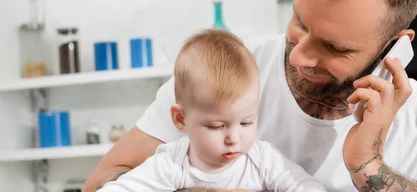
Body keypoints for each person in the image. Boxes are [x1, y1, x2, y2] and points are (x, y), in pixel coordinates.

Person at [85, 0, 417, 191]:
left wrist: (368, 164)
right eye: (299, 23)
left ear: (393, 46)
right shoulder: (223, 74)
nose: (300, 55)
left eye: (335, 47)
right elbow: (101, 182)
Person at [96, 29, 327, 192]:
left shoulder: (261, 158)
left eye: (246, 123)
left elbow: (307, 185)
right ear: (180, 119)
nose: (234, 139)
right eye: (216, 126)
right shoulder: (173, 163)